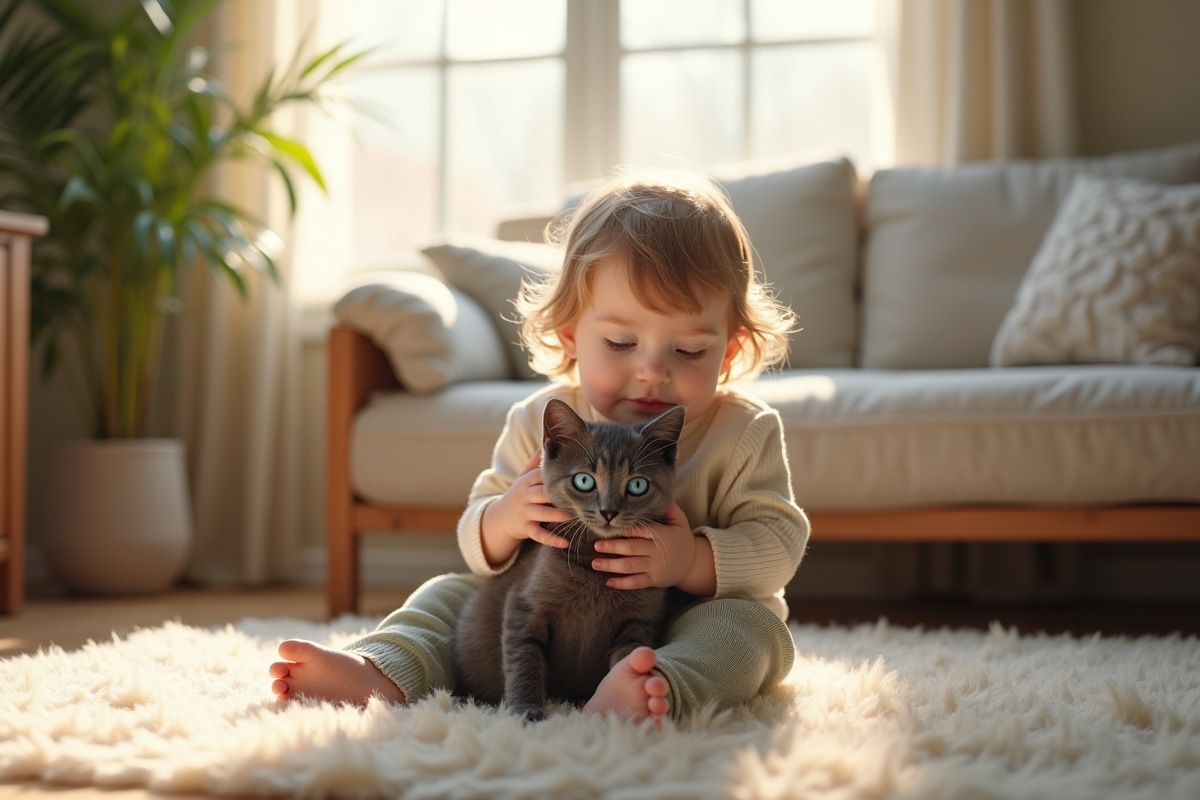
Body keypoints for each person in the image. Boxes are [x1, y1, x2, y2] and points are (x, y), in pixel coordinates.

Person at [269, 171, 810, 723]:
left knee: (750, 630)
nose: (652, 372)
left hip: (678, 622)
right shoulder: (543, 420)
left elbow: (779, 543)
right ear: (573, 336)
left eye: (690, 350)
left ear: (731, 347)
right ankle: (384, 668)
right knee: (449, 595)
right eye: (622, 342)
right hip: (541, 617)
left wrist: (689, 560)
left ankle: (653, 687)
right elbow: (475, 539)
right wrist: (505, 517)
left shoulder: (744, 431)